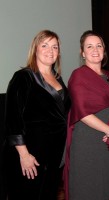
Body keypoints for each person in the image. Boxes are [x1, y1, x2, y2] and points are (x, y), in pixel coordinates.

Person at [4, 30, 71, 200]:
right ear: (35, 49)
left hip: (54, 155)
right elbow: (13, 120)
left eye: (55, 47)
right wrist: (24, 155)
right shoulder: (23, 77)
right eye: (45, 45)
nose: (50, 50)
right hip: (31, 155)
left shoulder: (58, 78)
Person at [63, 30, 109, 200]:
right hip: (87, 142)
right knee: (86, 188)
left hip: (107, 142)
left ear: (104, 50)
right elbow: (82, 113)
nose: (95, 50)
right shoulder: (78, 76)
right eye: (89, 46)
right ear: (82, 53)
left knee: (104, 188)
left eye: (99, 46)